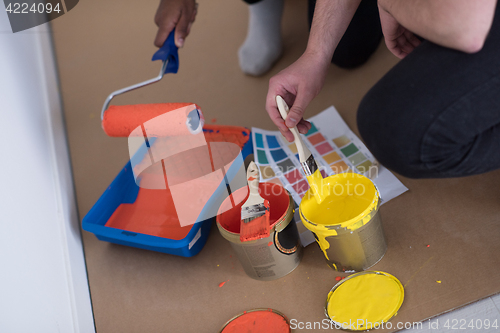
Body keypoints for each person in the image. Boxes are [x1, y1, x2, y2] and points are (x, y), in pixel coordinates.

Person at [266, 0, 500, 179]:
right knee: (347, 46)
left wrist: (389, 4)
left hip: (470, 19)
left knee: (394, 130)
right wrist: (316, 53)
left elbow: (465, 29)